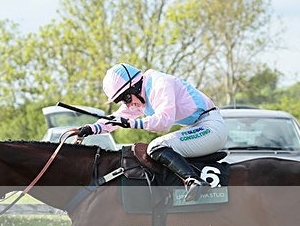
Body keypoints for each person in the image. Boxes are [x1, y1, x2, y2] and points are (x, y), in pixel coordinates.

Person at [78, 63, 228, 201]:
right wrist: (91, 129)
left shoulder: (160, 84)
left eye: (126, 98)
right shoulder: (140, 94)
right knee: (156, 148)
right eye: (123, 101)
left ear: (135, 85)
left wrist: (131, 123)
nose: (128, 104)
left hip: (211, 127)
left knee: (156, 146)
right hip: (196, 127)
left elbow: (164, 122)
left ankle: (194, 181)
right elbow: (118, 117)